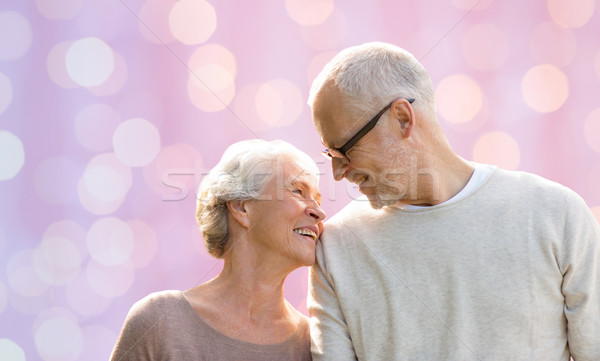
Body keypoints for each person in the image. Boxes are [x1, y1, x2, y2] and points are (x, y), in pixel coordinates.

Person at [306, 42, 600, 360]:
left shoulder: (557, 215)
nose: (336, 172)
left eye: (344, 149)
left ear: (403, 119)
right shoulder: (335, 249)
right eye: (329, 154)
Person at [110, 139, 325, 361]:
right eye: (299, 191)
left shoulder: (315, 345)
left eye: (318, 201)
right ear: (241, 206)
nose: (320, 213)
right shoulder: (160, 321)